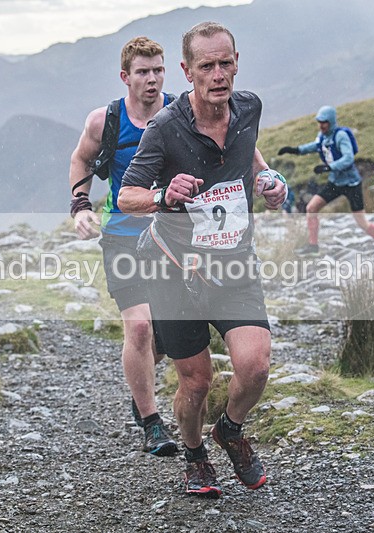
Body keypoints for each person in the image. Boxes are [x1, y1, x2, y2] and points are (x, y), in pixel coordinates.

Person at [119, 21, 287, 497]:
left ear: (237, 63)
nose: (219, 74)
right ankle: (194, 455)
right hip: (174, 271)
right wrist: (161, 195)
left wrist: (271, 179)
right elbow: (125, 195)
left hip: (233, 263)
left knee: (254, 368)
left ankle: (229, 430)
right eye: (207, 66)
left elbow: (249, 147)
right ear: (187, 71)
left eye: (226, 63)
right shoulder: (165, 128)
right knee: (195, 383)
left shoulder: (249, 106)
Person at [67, 36, 177, 457]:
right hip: (122, 235)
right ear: (125, 77)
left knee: (167, 336)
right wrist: (80, 206)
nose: (152, 80)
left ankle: (141, 383)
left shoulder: (181, 111)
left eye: (158, 71)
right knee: (140, 327)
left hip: (173, 236)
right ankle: (151, 423)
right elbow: (80, 159)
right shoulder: (105, 121)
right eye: (143, 72)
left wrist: (264, 176)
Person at [277, 106, 374, 258]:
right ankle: (313, 246)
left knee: (361, 222)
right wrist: (295, 150)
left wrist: (329, 167)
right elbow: (315, 146)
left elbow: (348, 158)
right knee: (311, 208)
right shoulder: (322, 136)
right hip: (335, 182)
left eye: (324, 122)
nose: (321, 125)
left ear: (331, 121)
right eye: (319, 122)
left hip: (351, 184)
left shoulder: (341, 136)